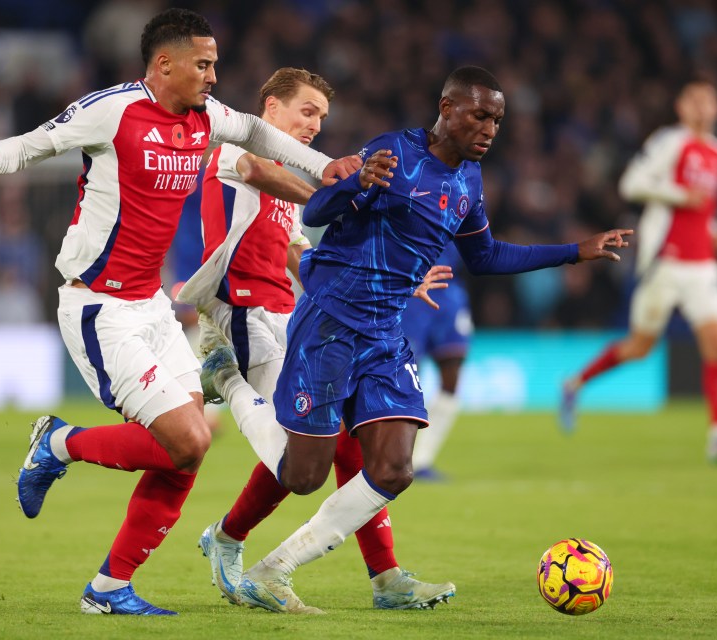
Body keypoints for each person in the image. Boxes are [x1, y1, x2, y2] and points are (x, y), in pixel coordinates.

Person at [0, 8, 359, 617]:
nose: (214, 76)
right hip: (99, 305)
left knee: (187, 453)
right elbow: (40, 141)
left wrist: (325, 168)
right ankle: (58, 442)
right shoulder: (114, 109)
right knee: (186, 439)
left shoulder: (207, 118)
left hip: (152, 306)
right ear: (165, 63)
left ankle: (108, 590)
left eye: (215, 64)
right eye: (204, 64)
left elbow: (257, 135)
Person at [200, 65, 632, 613]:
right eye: (479, 115)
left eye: (497, 119)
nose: (489, 129)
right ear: (447, 109)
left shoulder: (468, 182)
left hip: (385, 333)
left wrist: (573, 250)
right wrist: (355, 182)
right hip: (331, 322)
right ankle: (227, 380)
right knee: (304, 474)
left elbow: (486, 255)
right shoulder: (394, 153)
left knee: (394, 468)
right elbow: (317, 210)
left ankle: (276, 569)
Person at [177, 67, 455, 613]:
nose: (314, 125)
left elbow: (304, 257)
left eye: (321, 118)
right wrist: (333, 190)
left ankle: (386, 576)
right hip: (247, 316)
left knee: (349, 439)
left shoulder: (286, 190)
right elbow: (257, 166)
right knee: (304, 456)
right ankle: (225, 392)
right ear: (270, 109)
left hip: (294, 317)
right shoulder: (232, 151)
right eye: (306, 111)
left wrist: (390, 278)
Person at [559, 79, 717, 464]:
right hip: (665, 261)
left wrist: (714, 231)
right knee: (639, 346)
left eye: (708, 100)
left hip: (702, 266)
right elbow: (631, 184)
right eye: (693, 99)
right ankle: (574, 384)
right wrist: (678, 194)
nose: (701, 107)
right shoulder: (670, 142)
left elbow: (703, 209)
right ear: (681, 107)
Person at [401, 242, 472, 482]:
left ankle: (421, 461)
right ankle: (396, 456)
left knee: (453, 376)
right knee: (403, 376)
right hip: (411, 289)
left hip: (449, 289)